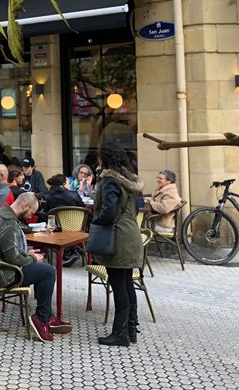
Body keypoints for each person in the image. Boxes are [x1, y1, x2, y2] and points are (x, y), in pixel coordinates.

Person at [0, 192, 71, 342]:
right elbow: (14, 259)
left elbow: (8, 250)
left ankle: (46, 315)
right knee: (47, 271)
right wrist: (32, 258)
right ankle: (41, 319)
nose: (30, 216)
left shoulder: (2, 214)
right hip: (2, 274)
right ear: (24, 205)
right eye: (31, 212)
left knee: (44, 270)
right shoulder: (7, 222)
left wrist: (26, 253)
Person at [91, 142, 144, 347]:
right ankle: (130, 330)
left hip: (118, 238)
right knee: (127, 284)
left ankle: (120, 334)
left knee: (119, 286)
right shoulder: (128, 179)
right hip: (130, 235)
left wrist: (95, 221)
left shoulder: (111, 181)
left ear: (104, 158)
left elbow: (108, 212)